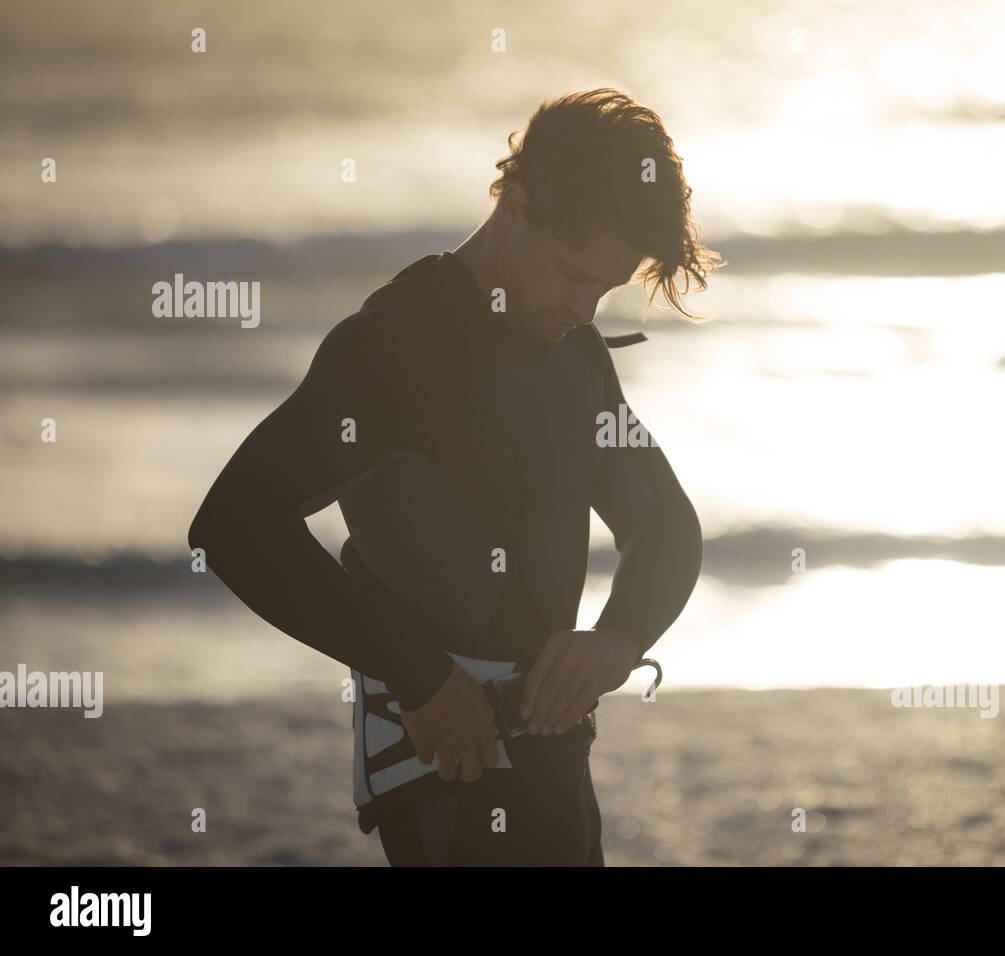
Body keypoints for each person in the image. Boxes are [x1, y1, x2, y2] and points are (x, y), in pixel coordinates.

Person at [187, 88, 725, 865]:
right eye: (573, 274)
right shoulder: (394, 347)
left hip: (557, 765)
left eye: (604, 289)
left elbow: (664, 522)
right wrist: (420, 678)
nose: (584, 308)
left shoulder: (574, 358)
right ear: (515, 205)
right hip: (446, 769)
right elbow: (237, 523)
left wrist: (619, 636)